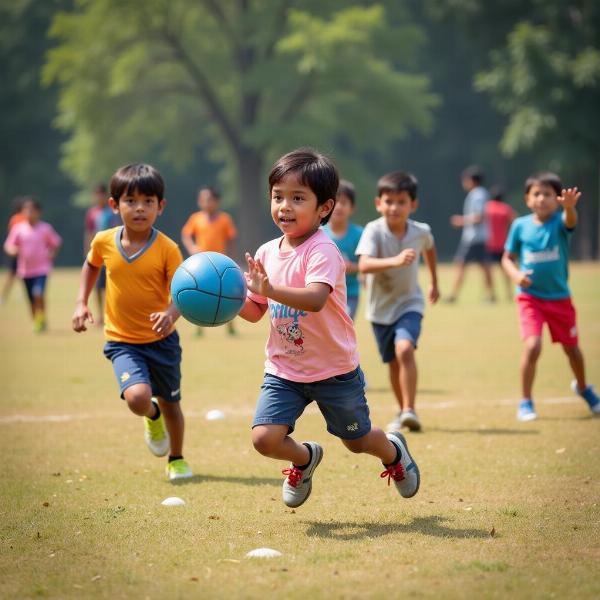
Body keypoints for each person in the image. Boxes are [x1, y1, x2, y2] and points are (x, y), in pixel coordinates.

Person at [238, 148, 420, 509]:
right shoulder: (266, 252)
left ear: (325, 208)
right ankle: (304, 460)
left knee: (357, 442)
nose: (284, 207)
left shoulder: (324, 250)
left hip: (334, 370)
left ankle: (393, 452)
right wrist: (221, 303)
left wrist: (270, 289)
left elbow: (315, 298)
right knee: (264, 439)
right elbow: (256, 311)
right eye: (278, 197)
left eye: (297, 198)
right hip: (284, 369)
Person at [72, 163, 193, 480]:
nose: (140, 208)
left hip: (162, 341)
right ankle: (150, 417)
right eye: (131, 201)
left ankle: (177, 458)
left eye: (148, 201)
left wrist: (171, 313)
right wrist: (81, 303)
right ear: (114, 205)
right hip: (122, 341)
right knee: (138, 398)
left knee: (171, 403)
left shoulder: (168, 249)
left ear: (160, 206)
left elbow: (182, 293)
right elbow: (90, 266)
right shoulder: (104, 241)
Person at [502, 171, 599, 421]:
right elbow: (507, 259)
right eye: (537, 194)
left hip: (559, 298)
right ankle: (525, 402)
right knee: (533, 346)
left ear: (557, 200)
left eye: (548, 194)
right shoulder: (520, 225)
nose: (542, 199)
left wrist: (569, 208)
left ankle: (583, 388)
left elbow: (570, 221)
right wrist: (516, 276)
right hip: (529, 297)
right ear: (527, 198)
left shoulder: (559, 222)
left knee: (572, 350)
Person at [356, 171, 439, 433]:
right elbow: (364, 264)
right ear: (378, 203)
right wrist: (394, 261)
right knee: (392, 361)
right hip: (380, 310)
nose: (394, 207)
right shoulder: (373, 231)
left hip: (409, 303)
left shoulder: (421, 231)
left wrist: (434, 281)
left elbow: (430, 249)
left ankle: (409, 410)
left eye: (401, 201)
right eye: (388, 201)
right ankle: (402, 407)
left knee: (405, 350)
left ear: (413, 205)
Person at [181, 186, 238, 335]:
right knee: (199, 293)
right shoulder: (196, 218)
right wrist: (192, 247)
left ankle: (230, 325)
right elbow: (186, 234)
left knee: (225, 294)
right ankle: (198, 325)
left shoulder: (225, 219)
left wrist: (231, 258)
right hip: (201, 265)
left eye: (209, 199)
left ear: (217, 201)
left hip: (220, 263)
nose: (206, 202)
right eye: (203, 199)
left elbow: (231, 238)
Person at [3, 198, 62, 332]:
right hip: (25, 270)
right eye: (26, 210)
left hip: (41, 269)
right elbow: (8, 245)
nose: (29, 213)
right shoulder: (18, 229)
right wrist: (13, 250)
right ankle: (37, 320)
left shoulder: (45, 228)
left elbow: (56, 242)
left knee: (38, 293)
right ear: (22, 212)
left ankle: (42, 318)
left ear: (38, 213)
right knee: (31, 299)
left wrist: (52, 253)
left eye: (32, 210)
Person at [447, 165, 495, 303]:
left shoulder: (477, 194)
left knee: (461, 264)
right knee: (485, 266)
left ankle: (453, 295)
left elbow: (479, 217)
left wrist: (461, 221)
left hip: (474, 238)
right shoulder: (480, 193)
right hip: (479, 237)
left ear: (471, 180)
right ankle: (490, 295)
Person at [322, 179, 364, 319]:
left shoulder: (359, 234)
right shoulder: (319, 234)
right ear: (327, 206)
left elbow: (365, 264)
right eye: (336, 202)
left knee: (343, 326)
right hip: (324, 294)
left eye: (344, 203)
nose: (339, 207)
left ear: (352, 208)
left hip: (350, 293)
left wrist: (354, 267)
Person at [84, 183, 120, 325]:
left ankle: (110, 314)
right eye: (96, 194)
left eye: (101, 194)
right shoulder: (91, 213)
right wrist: (87, 250)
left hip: (110, 254)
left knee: (110, 286)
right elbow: (89, 232)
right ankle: (100, 315)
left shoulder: (112, 212)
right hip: (96, 253)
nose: (99, 197)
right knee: (97, 287)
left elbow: (117, 230)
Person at [485, 186, 516, 301]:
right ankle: (509, 294)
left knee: (489, 271)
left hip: (489, 244)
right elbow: (515, 222)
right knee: (506, 270)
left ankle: (491, 295)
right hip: (503, 243)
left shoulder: (488, 207)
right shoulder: (506, 209)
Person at [1, 197, 27, 304]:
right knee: (15, 274)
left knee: (19, 274)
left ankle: (6, 296)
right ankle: (5, 295)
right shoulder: (20, 219)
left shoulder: (14, 218)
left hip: (21, 251)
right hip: (19, 252)